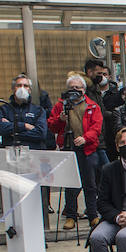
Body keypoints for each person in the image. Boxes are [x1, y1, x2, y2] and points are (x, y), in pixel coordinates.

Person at [48, 74, 102, 230]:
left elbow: (97, 127)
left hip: (87, 149)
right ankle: (71, 215)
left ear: (84, 89)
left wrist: (86, 138)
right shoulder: (60, 105)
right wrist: (60, 119)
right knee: (70, 184)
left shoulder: (92, 106)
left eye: (78, 88)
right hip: (68, 149)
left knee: (90, 184)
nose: (75, 90)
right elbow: (52, 126)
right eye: (72, 88)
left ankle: (93, 214)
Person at [0, 74, 47, 148]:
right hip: (11, 152)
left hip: (33, 151)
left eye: (25, 86)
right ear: (13, 89)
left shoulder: (38, 110)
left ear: (30, 90)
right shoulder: (3, 109)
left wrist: (13, 133)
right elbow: (1, 129)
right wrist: (25, 126)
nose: (22, 88)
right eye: (19, 85)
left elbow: (41, 134)